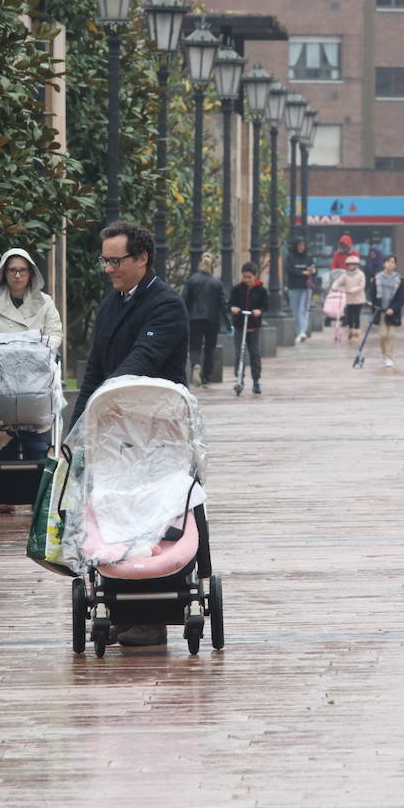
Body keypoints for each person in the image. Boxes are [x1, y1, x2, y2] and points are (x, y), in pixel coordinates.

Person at [72, 222, 188, 647]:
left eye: (115, 260)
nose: (108, 268)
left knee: (154, 519)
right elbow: (96, 367)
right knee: (114, 515)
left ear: (142, 259)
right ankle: (123, 607)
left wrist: (105, 396)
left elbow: (145, 357)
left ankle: (154, 617)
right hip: (114, 434)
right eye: (105, 260)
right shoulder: (111, 304)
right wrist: (80, 419)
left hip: (158, 435)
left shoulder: (167, 304)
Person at [0, 247, 63, 463]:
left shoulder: (45, 302)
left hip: (36, 376)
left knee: (37, 420)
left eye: (22, 270)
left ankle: (37, 457)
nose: (18, 275)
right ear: (4, 273)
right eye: (12, 270)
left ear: (31, 273)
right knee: (2, 419)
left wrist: (37, 349)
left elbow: (55, 332)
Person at [183, 251, 230, 388]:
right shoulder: (217, 283)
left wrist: (183, 318)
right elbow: (223, 305)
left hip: (194, 319)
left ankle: (195, 364)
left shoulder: (192, 280)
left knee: (195, 346)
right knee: (210, 349)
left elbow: (185, 300)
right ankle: (207, 378)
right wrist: (228, 324)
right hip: (212, 320)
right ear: (213, 265)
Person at [229, 262, 270, 394]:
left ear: (255, 276)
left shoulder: (261, 290)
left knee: (254, 354)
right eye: (244, 277)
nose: (246, 280)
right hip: (240, 325)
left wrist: (259, 311)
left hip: (253, 326)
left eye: (249, 277)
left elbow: (266, 305)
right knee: (239, 353)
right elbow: (230, 303)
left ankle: (256, 381)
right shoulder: (237, 289)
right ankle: (239, 378)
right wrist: (233, 308)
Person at [366, 254, 404, 368]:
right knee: (383, 335)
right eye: (388, 262)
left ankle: (389, 357)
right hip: (380, 311)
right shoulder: (377, 277)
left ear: (395, 265)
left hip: (393, 312)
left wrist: (393, 309)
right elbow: (372, 293)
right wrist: (370, 301)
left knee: (391, 335)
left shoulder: (399, 279)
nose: (390, 264)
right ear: (384, 264)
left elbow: (401, 298)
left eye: (393, 262)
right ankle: (384, 353)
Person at [285, 238, 317, 343]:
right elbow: (289, 270)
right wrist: (302, 273)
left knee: (303, 309)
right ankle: (298, 332)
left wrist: (312, 270)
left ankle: (302, 332)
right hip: (293, 287)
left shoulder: (308, 257)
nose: (301, 248)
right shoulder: (290, 257)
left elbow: (314, 270)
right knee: (295, 310)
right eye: (299, 245)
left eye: (303, 246)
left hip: (306, 287)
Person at [330, 253, 368, 341]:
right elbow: (338, 281)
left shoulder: (361, 274)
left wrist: (353, 290)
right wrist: (334, 287)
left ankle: (356, 334)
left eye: (353, 264)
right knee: (349, 316)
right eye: (350, 264)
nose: (351, 266)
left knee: (356, 316)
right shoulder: (345, 275)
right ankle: (351, 331)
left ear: (357, 265)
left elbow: (362, 285)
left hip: (358, 299)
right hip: (349, 300)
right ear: (347, 265)